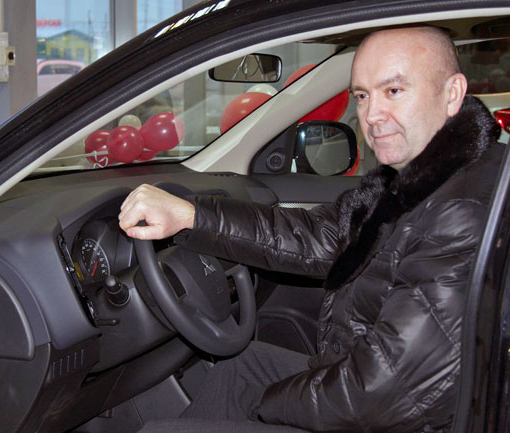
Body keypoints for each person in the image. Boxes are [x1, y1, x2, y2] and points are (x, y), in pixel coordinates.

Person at [118, 26, 503, 432]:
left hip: (399, 414)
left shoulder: (460, 211)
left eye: (393, 91)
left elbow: (380, 394)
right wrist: (192, 216)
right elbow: (321, 236)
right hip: (379, 389)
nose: (372, 116)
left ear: (452, 93)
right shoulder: (417, 181)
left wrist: (267, 406)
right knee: (241, 369)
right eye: (362, 96)